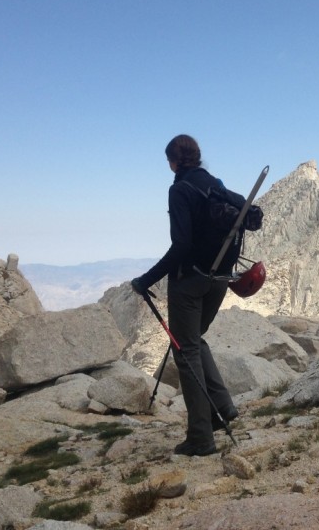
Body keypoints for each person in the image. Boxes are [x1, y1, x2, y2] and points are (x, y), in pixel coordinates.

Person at [131, 134, 238, 456]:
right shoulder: (216, 185)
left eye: (169, 161)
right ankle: (223, 407)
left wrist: (146, 279)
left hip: (189, 281)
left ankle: (201, 437)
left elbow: (181, 245)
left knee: (186, 352)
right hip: (220, 277)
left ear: (174, 162)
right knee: (195, 341)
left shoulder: (179, 189)